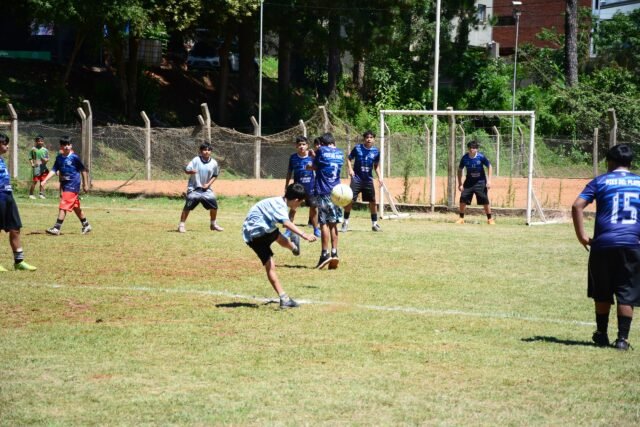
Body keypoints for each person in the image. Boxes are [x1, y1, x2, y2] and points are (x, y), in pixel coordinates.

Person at [572, 143, 640, 351]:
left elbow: (577, 205)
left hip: (603, 244)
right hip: (632, 244)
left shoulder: (600, 181)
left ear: (609, 162)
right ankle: (622, 340)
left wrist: (582, 236)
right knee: (626, 293)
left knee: (602, 290)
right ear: (630, 163)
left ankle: (601, 334)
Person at [243, 183, 317, 309]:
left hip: (251, 236)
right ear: (296, 200)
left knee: (274, 246)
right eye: (300, 203)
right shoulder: (280, 206)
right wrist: (304, 235)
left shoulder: (277, 201)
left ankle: (284, 298)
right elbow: (286, 224)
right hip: (260, 232)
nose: (299, 205)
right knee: (275, 235)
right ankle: (294, 247)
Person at [0, 133, 37, 271]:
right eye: (4, 143)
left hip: (8, 197)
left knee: (15, 227)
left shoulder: (1, 160)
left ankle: (19, 261)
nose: (7, 146)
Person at [41, 136, 92, 235]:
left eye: (68, 144)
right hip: (65, 184)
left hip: (73, 184)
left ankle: (56, 228)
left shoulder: (74, 157)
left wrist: (85, 184)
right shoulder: (59, 158)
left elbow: (83, 170)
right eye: (64, 145)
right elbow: (54, 170)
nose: (67, 147)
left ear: (71, 145)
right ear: (61, 146)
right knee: (75, 207)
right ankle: (86, 225)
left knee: (63, 204)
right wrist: (45, 180)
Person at [309, 132, 344, 269]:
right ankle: (335, 252)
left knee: (323, 223)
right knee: (333, 224)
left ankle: (325, 254)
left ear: (322, 143)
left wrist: (313, 157)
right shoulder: (340, 153)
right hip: (337, 193)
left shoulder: (321, 150)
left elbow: (315, 166)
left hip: (323, 191)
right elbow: (325, 165)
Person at [342, 130, 383, 232]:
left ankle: (374, 224)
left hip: (368, 180)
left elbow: (376, 166)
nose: (369, 139)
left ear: (374, 139)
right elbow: (349, 159)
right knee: (350, 200)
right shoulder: (357, 148)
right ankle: (345, 223)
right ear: (364, 139)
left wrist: (380, 177)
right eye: (367, 137)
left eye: (371, 137)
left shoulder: (376, 151)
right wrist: (350, 169)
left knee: (373, 201)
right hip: (357, 179)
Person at [177, 142, 223, 233]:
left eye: (209, 150)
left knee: (214, 207)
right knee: (188, 206)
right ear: (201, 151)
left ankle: (213, 225)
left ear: (211, 151)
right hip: (194, 189)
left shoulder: (214, 162)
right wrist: (190, 172)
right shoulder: (196, 160)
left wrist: (208, 184)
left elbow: (215, 175)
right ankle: (181, 226)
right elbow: (187, 170)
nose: (207, 152)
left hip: (206, 190)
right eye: (204, 150)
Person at [284, 136, 320, 238]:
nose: (301, 146)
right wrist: (286, 185)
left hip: (310, 186)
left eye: (304, 144)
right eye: (299, 144)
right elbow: (289, 172)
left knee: (314, 207)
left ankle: (316, 230)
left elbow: (318, 168)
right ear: (296, 146)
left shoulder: (312, 156)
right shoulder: (293, 157)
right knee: (293, 208)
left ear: (307, 145)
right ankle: (288, 230)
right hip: (297, 188)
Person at [456, 140, 494, 225]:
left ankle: (490, 219)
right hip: (469, 182)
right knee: (463, 198)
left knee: (484, 200)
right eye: (470, 148)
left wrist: (489, 181)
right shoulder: (465, 158)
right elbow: (459, 170)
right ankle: (461, 218)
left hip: (480, 182)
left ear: (477, 149)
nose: (471, 149)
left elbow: (489, 166)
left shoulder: (481, 157)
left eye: (473, 148)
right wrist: (460, 183)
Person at [28, 135, 49, 199]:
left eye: (41, 141)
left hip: (43, 168)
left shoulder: (45, 150)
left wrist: (45, 160)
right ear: (36, 142)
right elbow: (30, 158)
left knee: (42, 181)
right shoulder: (33, 149)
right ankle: (31, 194)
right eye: (38, 141)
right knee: (35, 181)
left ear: (43, 142)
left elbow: (47, 158)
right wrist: (32, 164)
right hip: (36, 168)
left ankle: (41, 194)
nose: (40, 142)